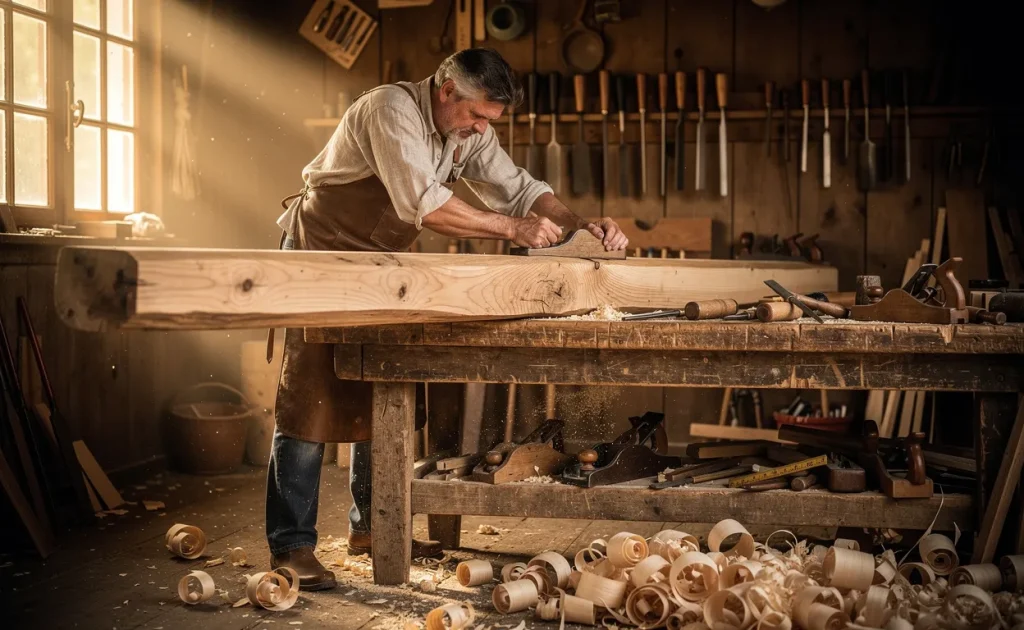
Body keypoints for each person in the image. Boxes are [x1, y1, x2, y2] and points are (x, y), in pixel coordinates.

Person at [267, 47, 629, 591]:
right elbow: (423, 202)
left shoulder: (469, 132)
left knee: (382, 388)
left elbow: (521, 189)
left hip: (383, 265)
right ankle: (291, 545)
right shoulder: (390, 109)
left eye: (490, 120)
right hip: (325, 252)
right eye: (477, 115)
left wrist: (581, 229)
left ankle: (371, 529)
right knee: (311, 400)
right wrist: (512, 229)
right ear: (445, 91)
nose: (482, 128)